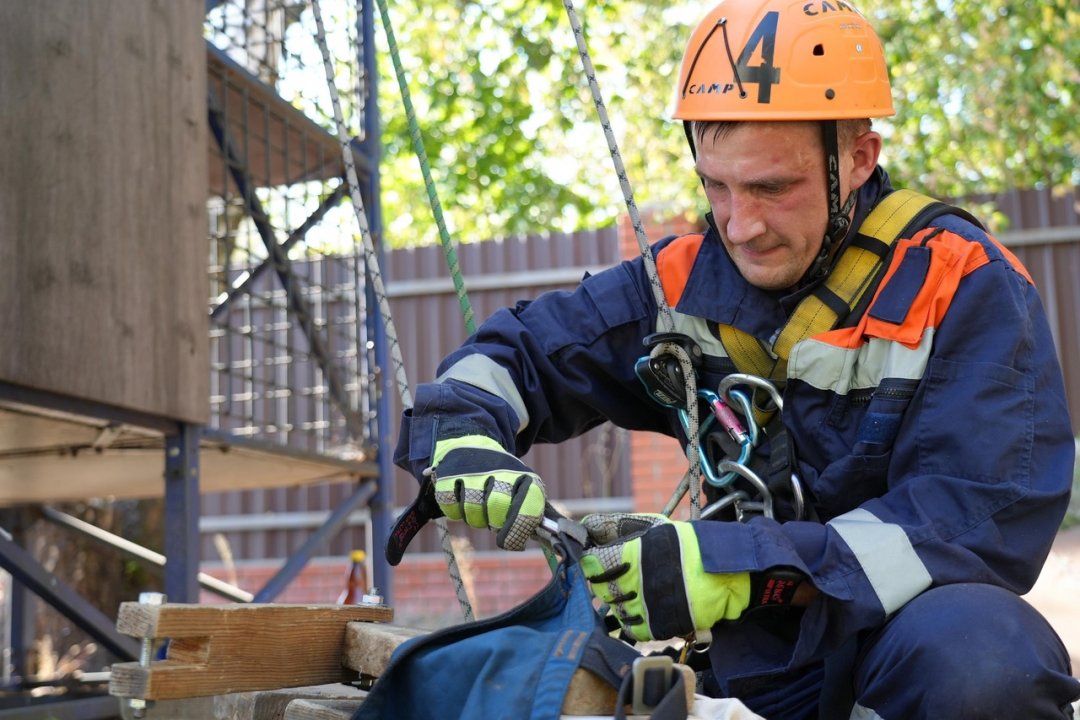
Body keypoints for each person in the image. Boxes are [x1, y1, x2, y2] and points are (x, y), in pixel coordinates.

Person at [392, 0, 1080, 717]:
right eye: (714, 186)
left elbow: (974, 520)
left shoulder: (963, 285)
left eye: (771, 188)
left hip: (905, 652)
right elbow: (521, 352)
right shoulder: (682, 284)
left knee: (987, 665)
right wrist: (463, 437)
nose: (740, 226)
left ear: (858, 157)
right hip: (747, 663)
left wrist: (740, 569)